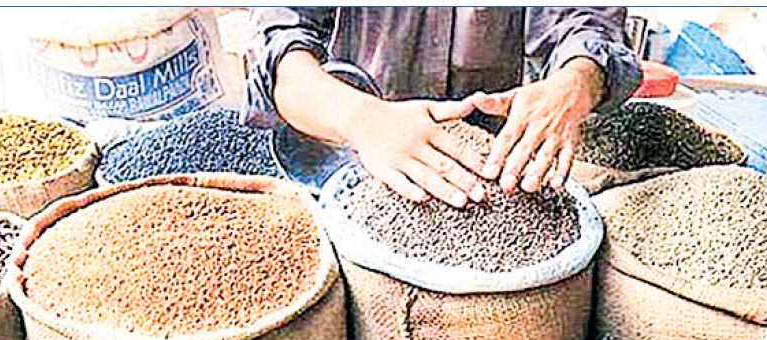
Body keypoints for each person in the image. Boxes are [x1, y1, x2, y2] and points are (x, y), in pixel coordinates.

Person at [246, 7, 641, 206]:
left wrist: (575, 81)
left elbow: (586, 25)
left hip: (493, 171)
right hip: (355, 160)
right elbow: (279, 57)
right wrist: (362, 119)